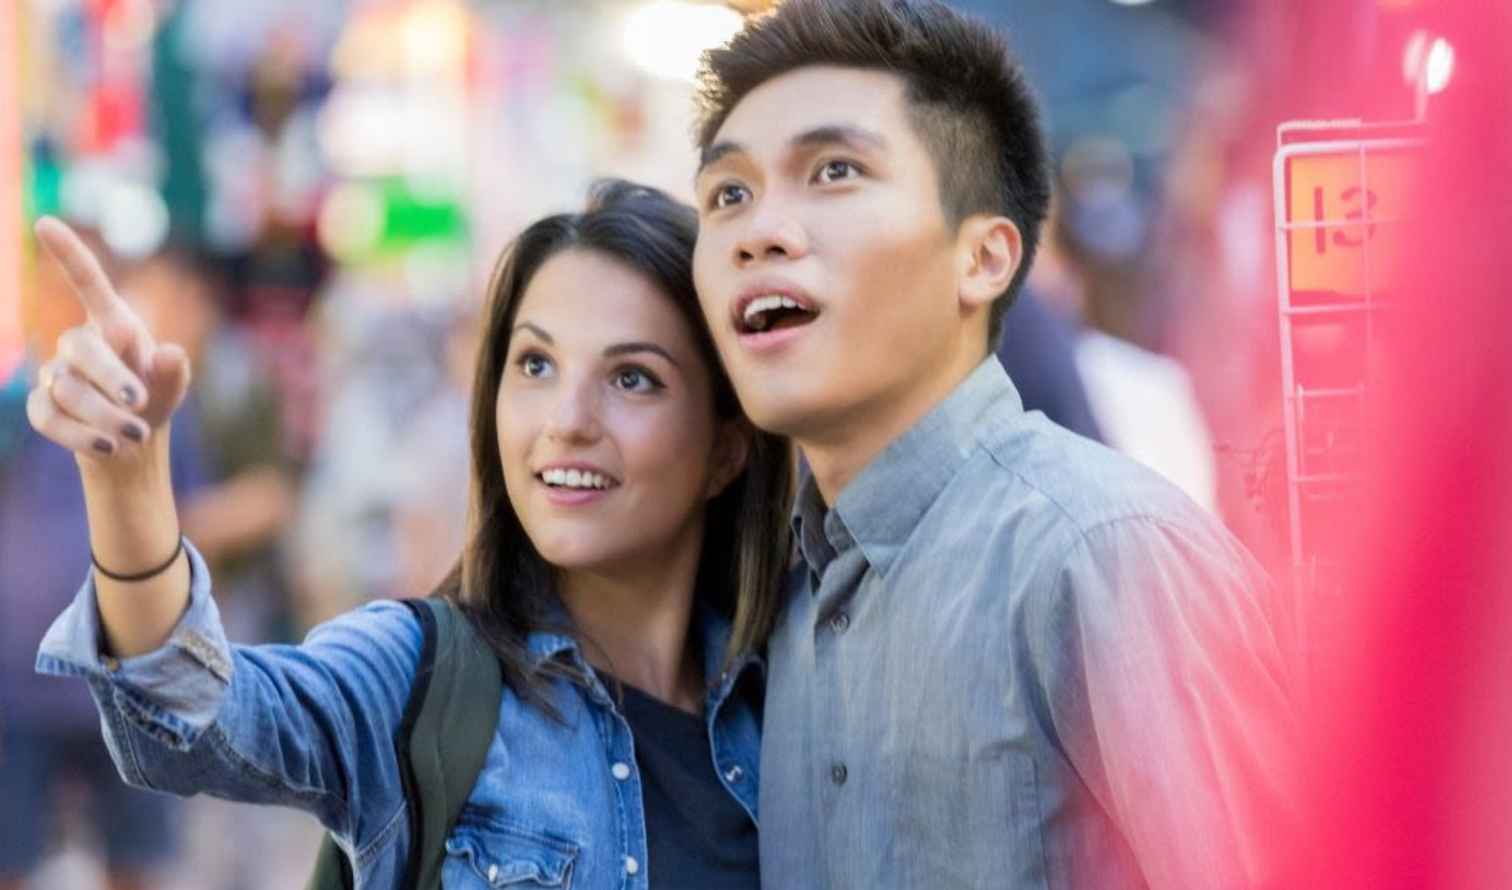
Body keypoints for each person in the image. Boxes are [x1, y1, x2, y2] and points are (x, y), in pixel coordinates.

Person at [29, 180, 792, 889]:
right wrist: (127, 484)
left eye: (632, 378)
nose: (566, 421)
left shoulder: (793, 705)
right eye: (535, 365)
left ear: (726, 447)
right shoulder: (421, 679)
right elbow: (188, 717)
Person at [689, 2, 1296, 888]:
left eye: (834, 171)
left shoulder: (1105, 556)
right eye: (728, 194)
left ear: (982, 259)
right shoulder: (778, 599)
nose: (757, 233)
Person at [1, 229, 206, 890]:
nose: (59, 299)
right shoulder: (9, 403)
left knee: (136, 863)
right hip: (15, 683)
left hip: (127, 679)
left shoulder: (149, 398)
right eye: (47, 283)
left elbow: (185, 522)